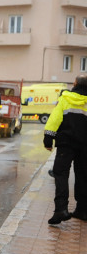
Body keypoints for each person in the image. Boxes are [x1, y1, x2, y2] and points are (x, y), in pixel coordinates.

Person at [43, 74, 87, 225]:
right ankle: (82, 210)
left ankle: (61, 209)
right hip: (84, 146)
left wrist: (48, 139)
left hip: (66, 144)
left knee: (60, 174)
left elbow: (54, 119)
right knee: (83, 175)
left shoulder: (65, 99)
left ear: (75, 83)